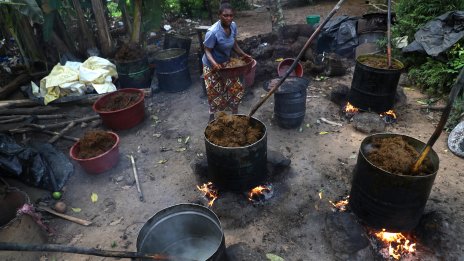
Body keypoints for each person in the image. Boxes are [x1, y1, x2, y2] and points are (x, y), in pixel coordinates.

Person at [202, 3, 252, 121]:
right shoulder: (213, 32)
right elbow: (207, 51)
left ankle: (234, 113)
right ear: (219, 15)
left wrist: (243, 55)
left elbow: (233, 44)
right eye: (225, 15)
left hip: (227, 64)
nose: (228, 18)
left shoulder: (233, 26)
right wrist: (215, 64)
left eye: (231, 15)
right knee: (215, 92)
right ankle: (212, 116)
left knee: (236, 88)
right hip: (211, 65)